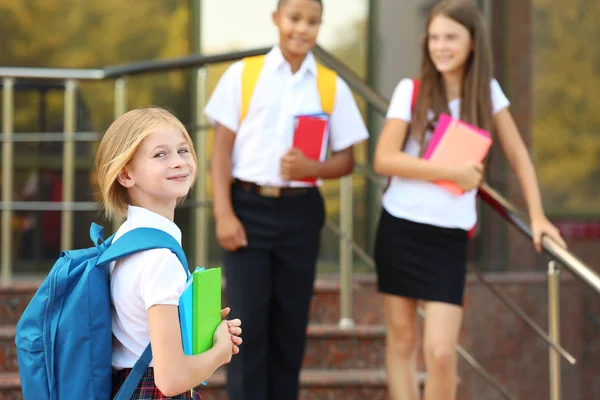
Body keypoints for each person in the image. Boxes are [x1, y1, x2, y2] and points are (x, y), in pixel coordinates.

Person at [372, 1, 567, 399]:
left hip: (448, 238)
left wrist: (538, 215)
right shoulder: (411, 91)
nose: (441, 47)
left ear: (473, 43)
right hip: (400, 228)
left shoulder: (487, 92)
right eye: (434, 38)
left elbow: (518, 155)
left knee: (441, 352)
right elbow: (383, 159)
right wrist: (451, 174)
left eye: (451, 38)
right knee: (403, 341)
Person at [205, 0, 369, 398]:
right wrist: (224, 214)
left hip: (301, 212)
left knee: (290, 323)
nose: (302, 29)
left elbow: (348, 160)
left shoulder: (332, 86)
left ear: (320, 26)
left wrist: (312, 166)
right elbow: (220, 151)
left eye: (312, 22)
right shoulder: (243, 75)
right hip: (247, 208)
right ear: (276, 19)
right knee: (246, 324)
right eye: (294, 19)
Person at [94, 107, 243, 399]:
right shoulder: (159, 257)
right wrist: (221, 351)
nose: (178, 162)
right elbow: (172, 379)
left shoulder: (122, 241)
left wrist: (199, 327)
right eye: (160, 154)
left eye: (183, 150)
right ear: (125, 174)